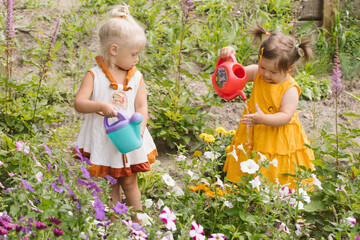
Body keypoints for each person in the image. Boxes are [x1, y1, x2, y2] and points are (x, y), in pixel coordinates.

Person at [74, 5, 157, 223]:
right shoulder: (94, 75)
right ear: (113, 50)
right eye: (133, 54)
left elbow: (141, 107)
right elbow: (79, 103)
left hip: (129, 137)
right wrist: (98, 105)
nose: (136, 59)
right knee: (111, 183)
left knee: (130, 182)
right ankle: (114, 225)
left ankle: (139, 224)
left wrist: (140, 128)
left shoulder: (136, 77)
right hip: (104, 139)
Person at [221, 25, 315, 189]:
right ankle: (247, 190)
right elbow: (237, 74)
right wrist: (229, 58)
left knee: (274, 167)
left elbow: (285, 116)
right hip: (255, 131)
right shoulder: (258, 73)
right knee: (249, 159)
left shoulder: (290, 89)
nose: (265, 74)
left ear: (289, 69)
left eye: (273, 72)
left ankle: (275, 196)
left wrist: (263, 118)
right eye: (262, 67)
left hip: (277, 137)